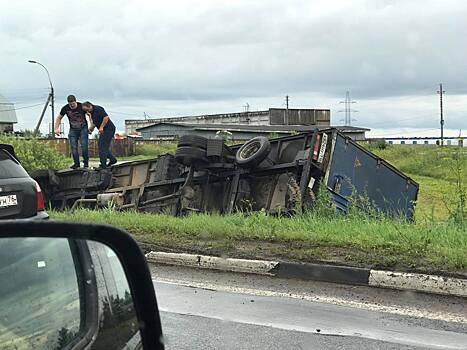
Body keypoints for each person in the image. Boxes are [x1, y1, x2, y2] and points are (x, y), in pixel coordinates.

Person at [55, 95, 89, 169]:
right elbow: (59, 117)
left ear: (75, 102)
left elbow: (89, 114)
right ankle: (76, 164)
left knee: (84, 146)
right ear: (68, 103)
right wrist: (56, 128)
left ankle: (86, 164)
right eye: (70, 104)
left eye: (73, 104)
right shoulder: (65, 108)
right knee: (73, 147)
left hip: (83, 128)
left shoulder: (81, 106)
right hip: (73, 129)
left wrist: (91, 126)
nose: (72, 106)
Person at [82, 101, 117, 169]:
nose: (87, 111)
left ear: (90, 106)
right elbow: (94, 123)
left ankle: (103, 165)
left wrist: (101, 127)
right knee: (101, 146)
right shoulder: (92, 113)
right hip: (104, 130)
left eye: (87, 110)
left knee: (102, 146)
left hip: (109, 129)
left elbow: (106, 117)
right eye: (85, 111)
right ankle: (112, 159)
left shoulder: (98, 109)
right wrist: (90, 130)